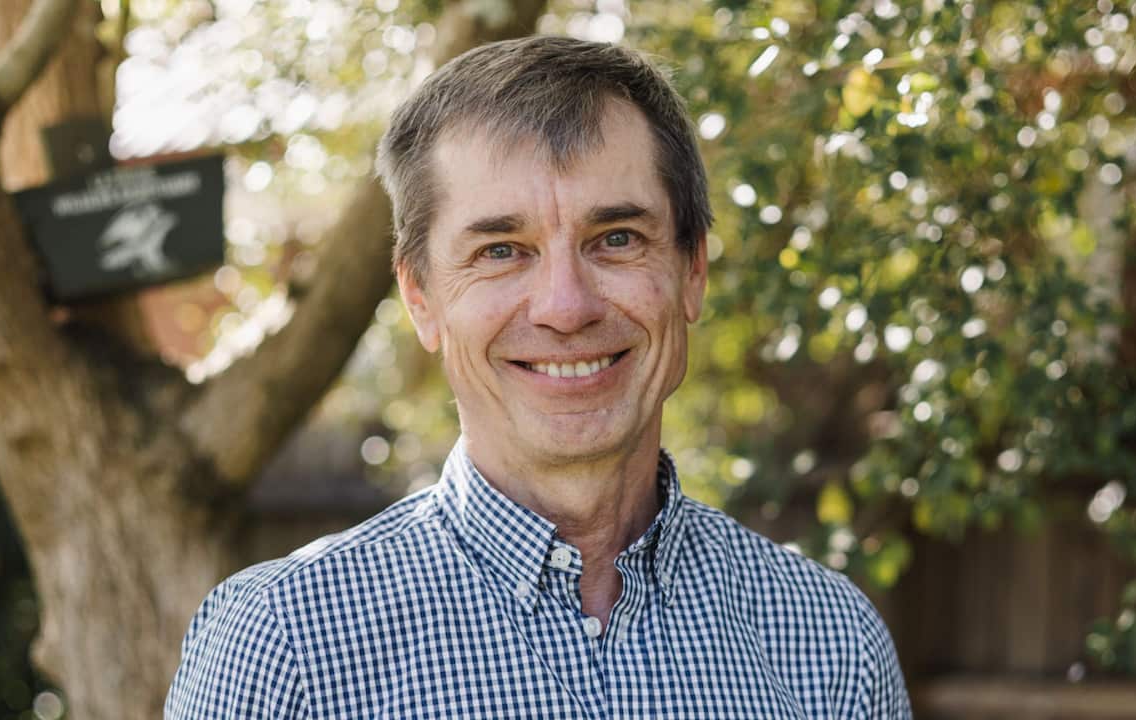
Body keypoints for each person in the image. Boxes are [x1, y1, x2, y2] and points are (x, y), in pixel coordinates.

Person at [165, 36, 911, 719]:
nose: (565, 307)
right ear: (421, 298)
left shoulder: (829, 646)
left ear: (692, 272)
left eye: (616, 239)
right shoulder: (284, 648)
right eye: (500, 250)